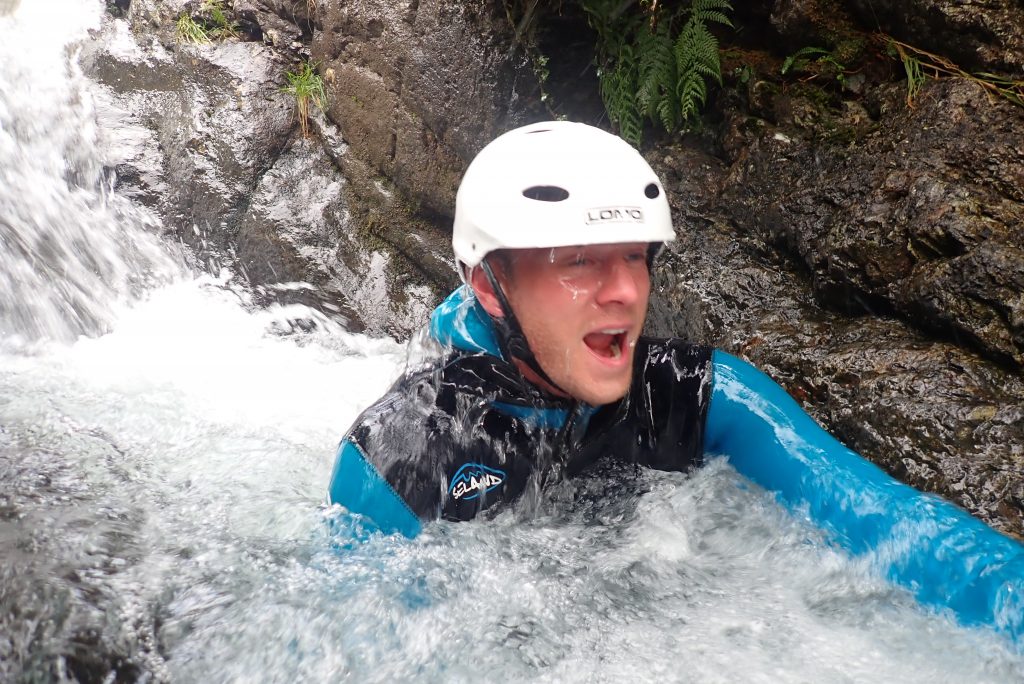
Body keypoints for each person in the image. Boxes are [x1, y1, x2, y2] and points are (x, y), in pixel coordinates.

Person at [328, 121, 1023, 642]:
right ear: (488, 284)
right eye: (579, 261)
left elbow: (888, 522)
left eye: (636, 256)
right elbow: (366, 641)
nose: (627, 290)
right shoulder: (400, 457)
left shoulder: (697, 397)